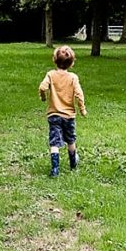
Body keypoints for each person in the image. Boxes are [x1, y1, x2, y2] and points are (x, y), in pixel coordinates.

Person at [39, 45, 87, 177]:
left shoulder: (50, 75)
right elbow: (79, 94)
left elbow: (42, 87)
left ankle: (55, 169)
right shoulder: (73, 77)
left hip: (53, 114)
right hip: (69, 116)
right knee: (70, 140)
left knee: (54, 142)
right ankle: (73, 163)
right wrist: (82, 109)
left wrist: (43, 97)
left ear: (54, 60)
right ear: (71, 63)